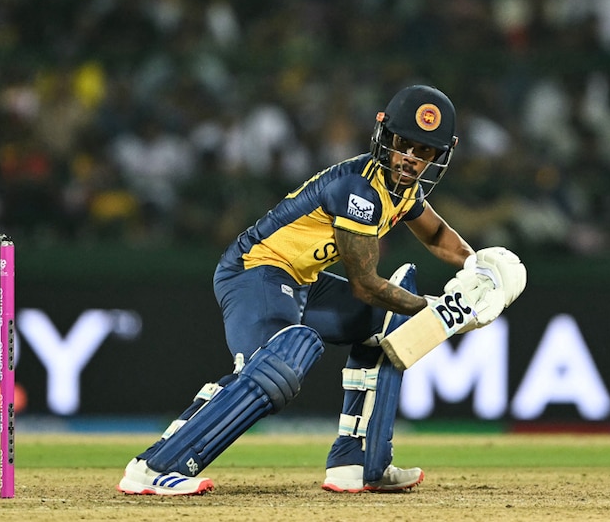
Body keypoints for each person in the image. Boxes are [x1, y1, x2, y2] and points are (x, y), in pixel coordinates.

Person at [116, 84, 518, 495]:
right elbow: (365, 286)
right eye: (404, 144)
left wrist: (477, 265)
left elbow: (437, 237)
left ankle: (358, 463)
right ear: (386, 136)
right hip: (256, 271)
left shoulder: (402, 190)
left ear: (441, 155)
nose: (411, 159)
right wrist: (438, 309)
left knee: (390, 329)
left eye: (425, 152)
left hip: (302, 279)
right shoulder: (359, 190)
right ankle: (154, 466)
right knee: (282, 362)